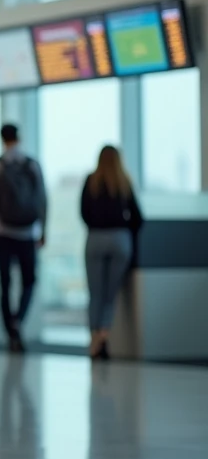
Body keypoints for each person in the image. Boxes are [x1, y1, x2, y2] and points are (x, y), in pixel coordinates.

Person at [0, 124, 47, 353]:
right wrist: (43, 230)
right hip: (28, 232)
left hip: (2, 232)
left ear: (2, 138)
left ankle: (10, 333)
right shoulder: (32, 164)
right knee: (29, 281)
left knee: (5, 285)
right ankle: (18, 319)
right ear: (19, 138)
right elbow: (42, 199)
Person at [81, 146, 143, 360]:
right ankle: (103, 337)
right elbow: (137, 217)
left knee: (95, 293)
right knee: (110, 294)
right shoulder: (123, 180)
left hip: (96, 238)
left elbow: (83, 212)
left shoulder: (91, 180)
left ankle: (93, 340)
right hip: (120, 239)